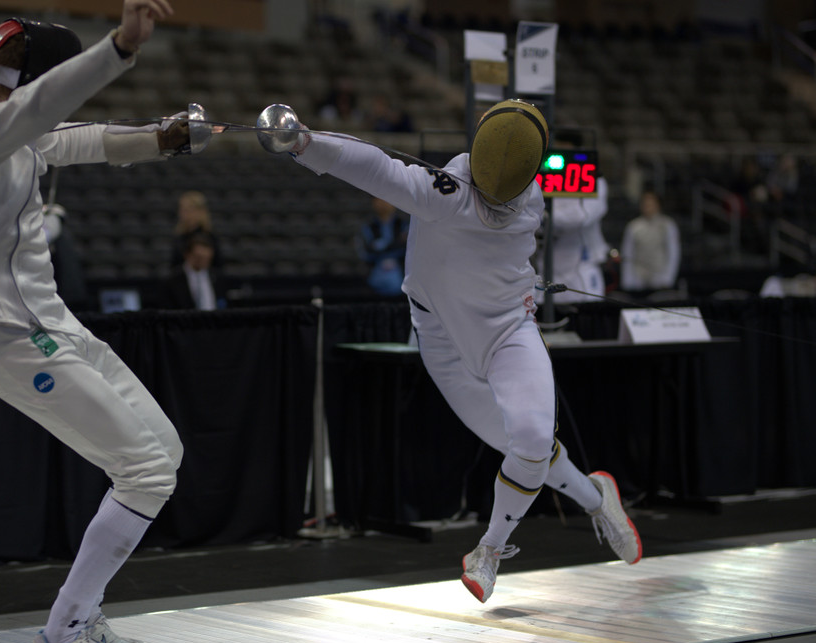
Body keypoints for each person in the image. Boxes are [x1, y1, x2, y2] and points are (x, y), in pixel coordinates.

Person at [259, 98, 642, 603]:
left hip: (509, 331)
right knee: (522, 452)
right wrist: (305, 143)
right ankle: (597, 498)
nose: (498, 203)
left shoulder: (531, 200)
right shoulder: (441, 192)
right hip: (441, 341)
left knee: (530, 438)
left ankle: (489, 549)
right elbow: (373, 166)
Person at [0, 3, 185, 643]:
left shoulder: (11, 123)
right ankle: (59, 637)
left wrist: (161, 138)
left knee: (163, 451)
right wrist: (119, 47)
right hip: (6, 337)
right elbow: (38, 116)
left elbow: (77, 137)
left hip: (53, 324)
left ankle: (85, 611)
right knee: (146, 473)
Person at [536, 176, 610, 304]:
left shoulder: (595, 180)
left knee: (586, 317)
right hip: (545, 271)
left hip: (581, 271)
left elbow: (580, 217)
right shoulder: (539, 180)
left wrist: (540, 217)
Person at [619, 190, 681, 292]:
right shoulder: (633, 226)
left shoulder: (667, 225)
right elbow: (627, 253)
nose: (647, 207)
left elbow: (673, 253)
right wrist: (628, 280)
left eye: (651, 204)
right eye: (645, 204)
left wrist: (668, 278)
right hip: (638, 277)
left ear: (658, 205)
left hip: (659, 275)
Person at [357, 195, 408, 296]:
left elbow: (406, 249)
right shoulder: (368, 226)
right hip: (375, 278)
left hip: (401, 276)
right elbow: (366, 253)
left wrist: (381, 247)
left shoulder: (402, 225)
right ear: (374, 203)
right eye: (379, 199)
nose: (383, 203)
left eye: (387, 199)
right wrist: (394, 244)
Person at [159, 231, 222, 309]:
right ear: (187, 255)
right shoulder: (172, 281)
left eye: (207, 258)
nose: (204, 261)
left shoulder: (217, 278)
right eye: (199, 257)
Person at [169, 190, 222, 270]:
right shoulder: (179, 237)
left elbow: (218, 265)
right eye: (182, 210)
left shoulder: (210, 237)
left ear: (200, 211)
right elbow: (174, 265)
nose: (183, 214)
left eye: (188, 210)